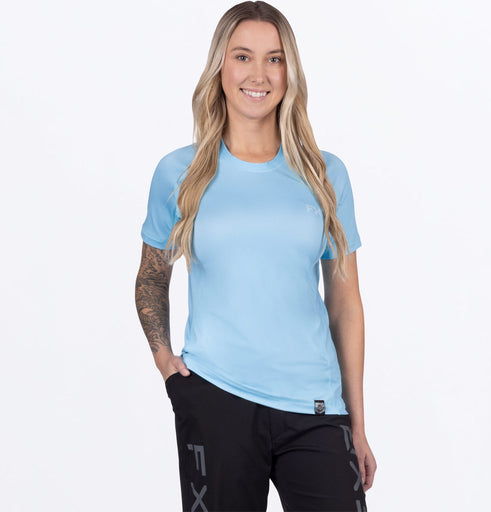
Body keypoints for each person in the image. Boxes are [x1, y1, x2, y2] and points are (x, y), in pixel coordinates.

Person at [135, 1, 377, 510]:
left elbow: (345, 305)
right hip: (215, 398)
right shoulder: (180, 173)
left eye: (275, 59)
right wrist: (166, 364)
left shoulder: (325, 175)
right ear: (220, 67)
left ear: (290, 71)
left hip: (315, 407)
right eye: (243, 56)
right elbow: (152, 276)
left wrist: (356, 424)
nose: (259, 75)